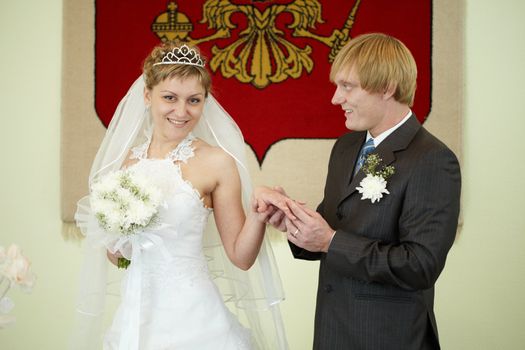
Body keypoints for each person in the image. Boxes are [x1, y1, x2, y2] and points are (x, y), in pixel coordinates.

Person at [71, 42, 291, 350]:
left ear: (205, 102)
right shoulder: (126, 163)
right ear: (148, 97)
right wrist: (118, 236)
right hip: (137, 316)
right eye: (169, 98)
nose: (181, 111)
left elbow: (241, 258)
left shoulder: (217, 162)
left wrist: (257, 214)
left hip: (196, 319)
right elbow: (118, 256)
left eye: (194, 100)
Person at [262, 33, 461, 349]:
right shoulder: (346, 146)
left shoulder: (433, 159)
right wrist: (292, 222)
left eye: (347, 86)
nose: (335, 98)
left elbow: (421, 265)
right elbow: (331, 229)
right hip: (332, 332)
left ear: (387, 88)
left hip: (388, 338)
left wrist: (330, 241)